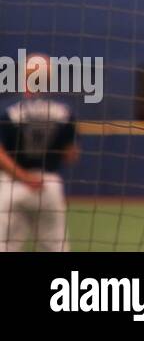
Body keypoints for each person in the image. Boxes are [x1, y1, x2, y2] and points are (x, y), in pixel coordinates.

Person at [0, 53, 78, 252]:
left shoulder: (8, 110)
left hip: (12, 185)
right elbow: (71, 154)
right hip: (48, 186)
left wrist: (25, 177)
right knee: (55, 249)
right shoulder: (65, 112)